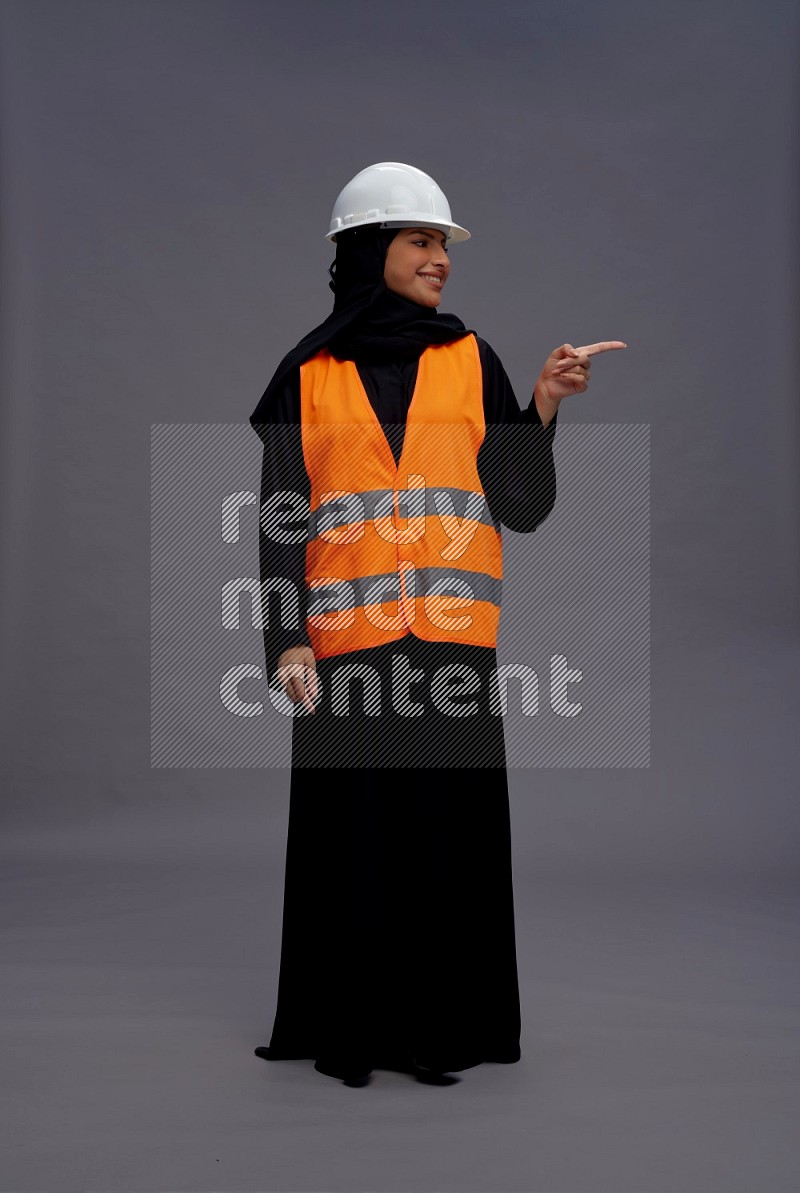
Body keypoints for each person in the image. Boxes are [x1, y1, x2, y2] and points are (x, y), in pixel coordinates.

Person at [249, 162, 626, 1088]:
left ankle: (443, 1026)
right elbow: (281, 516)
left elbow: (521, 503)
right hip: (343, 656)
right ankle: (354, 1026)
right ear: (370, 250)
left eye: (442, 245)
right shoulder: (308, 374)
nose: (439, 260)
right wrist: (284, 637)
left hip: (450, 649)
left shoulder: (473, 360)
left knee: (444, 842)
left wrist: (543, 406)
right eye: (420, 240)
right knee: (353, 842)